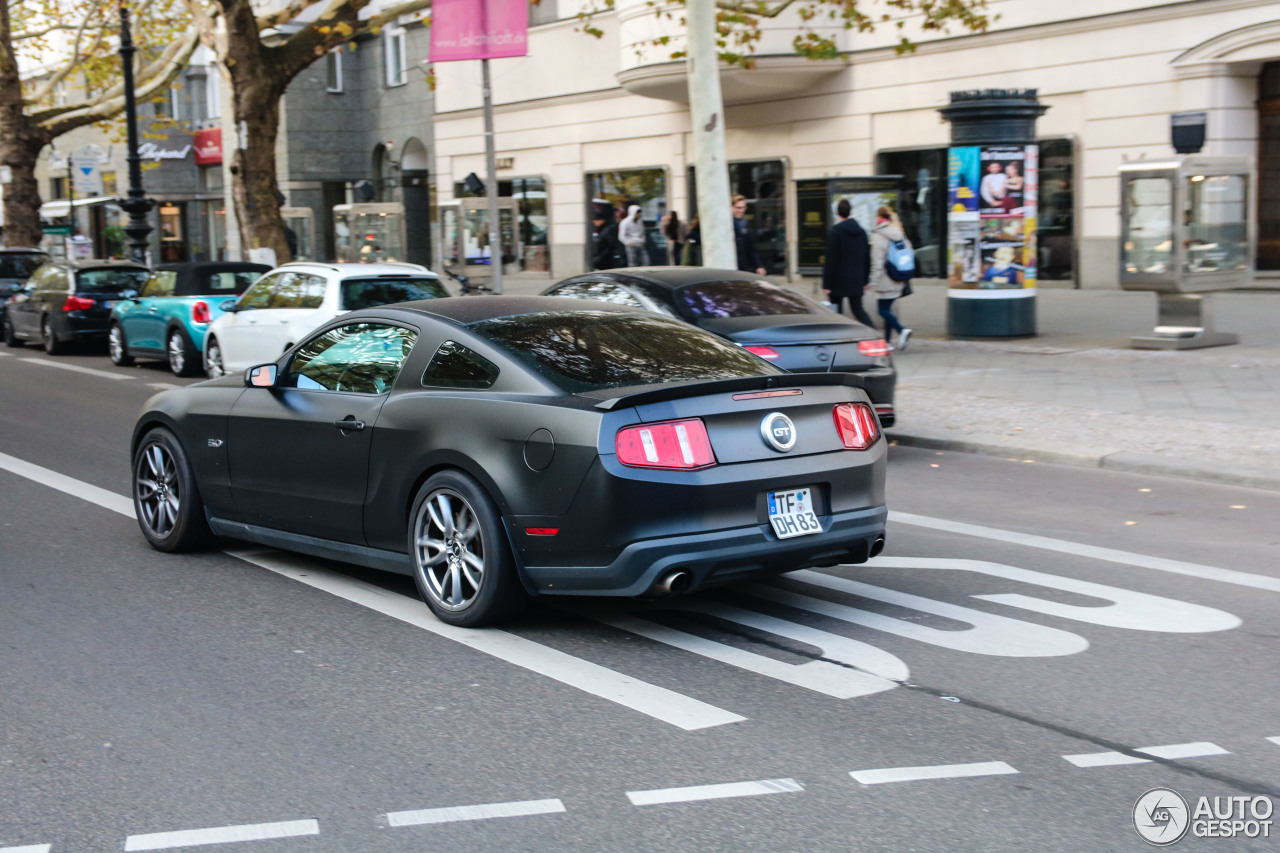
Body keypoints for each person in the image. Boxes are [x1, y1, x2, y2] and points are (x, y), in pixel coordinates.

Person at [821, 198, 875, 328]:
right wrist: (865, 280)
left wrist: (827, 284)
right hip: (856, 278)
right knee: (858, 310)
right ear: (850, 212)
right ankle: (875, 337)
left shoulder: (835, 232)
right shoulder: (861, 232)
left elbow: (831, 260)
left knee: (836, 313)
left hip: (837, 280)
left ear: (836, 212)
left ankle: (838, 339)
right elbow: (866, 257)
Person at [869, 205, 913, 351]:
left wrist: (873, 280)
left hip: (884, 279)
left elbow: (877, 260)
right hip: (898, 277)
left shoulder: (879, 235)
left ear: (879, 218)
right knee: (888, 309)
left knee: (882, 310)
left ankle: (902, 331)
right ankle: (887, 342)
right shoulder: (899, 232)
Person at [731, 194, 766, 275]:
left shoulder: (744, 223)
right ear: (731, 207)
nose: (741, 210)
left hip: (742, 267)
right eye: (738, 208)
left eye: (743, 207)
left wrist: (758, 265)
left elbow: (750, 248)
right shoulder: (724, 223)